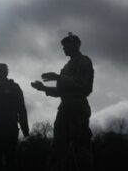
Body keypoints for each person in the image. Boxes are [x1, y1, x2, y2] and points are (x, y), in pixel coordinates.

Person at [32, 32, 94, 171]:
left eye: (65, 46)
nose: (63, 49)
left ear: (75, 45)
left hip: (78, 109)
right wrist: (42, 88)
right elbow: (61, 92)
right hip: (64, 109)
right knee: (57, 150)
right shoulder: (67, 66)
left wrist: (58, 77)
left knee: (81, 150)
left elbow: (84, 86)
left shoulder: (84, 61)